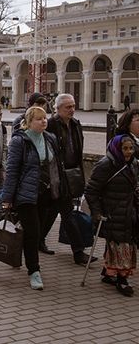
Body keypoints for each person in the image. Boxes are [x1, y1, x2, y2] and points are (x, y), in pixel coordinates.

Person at [2, 107, 62, 290]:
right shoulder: (19, 141)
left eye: (45, 118)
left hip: (46, 193)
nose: (44, 121)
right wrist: (7, 197)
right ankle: (34, 271)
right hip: (26, 195)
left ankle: (20, 253)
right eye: (39, 119)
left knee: (36, 231)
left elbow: (56, 166)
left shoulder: (49, 138)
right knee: (33, 232)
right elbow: (12, 171)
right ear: (29, 121)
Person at [85, 135, 138, 297]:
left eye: (131, 148)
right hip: (113, 212)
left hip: (130, 212)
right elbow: (91, 191)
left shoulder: (133, 164)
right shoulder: (106, 165)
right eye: (125, 148)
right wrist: (97, 212)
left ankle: (109, 273)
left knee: (123, 243)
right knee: (122, 245)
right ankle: (122, 280)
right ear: (117, 148)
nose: (128, 152)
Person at [45, 94, 92, 262]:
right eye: (68, 107)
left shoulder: (76, 124)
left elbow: (78, 150)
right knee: (67, 213)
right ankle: (78, 252)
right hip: (57, 177)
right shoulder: (50, 125)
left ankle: (37, 240)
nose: (72, 110)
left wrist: (80, 175)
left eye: (73, 106)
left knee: (52, 210)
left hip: (73, 174)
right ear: (57, 109)